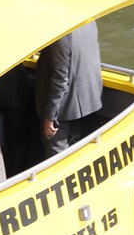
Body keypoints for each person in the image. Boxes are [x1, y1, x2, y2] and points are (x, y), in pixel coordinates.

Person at [35, 21, 103, 156]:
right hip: (85, 98)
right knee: (74, 145)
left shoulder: (61, 35)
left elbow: (60, 78)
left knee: (56, 154)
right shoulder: (88, 21)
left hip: (64, 106)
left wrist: (50, 116)